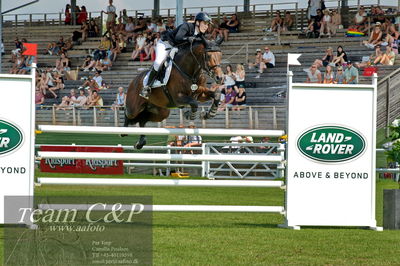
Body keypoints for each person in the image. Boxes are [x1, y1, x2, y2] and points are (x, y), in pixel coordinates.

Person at [140, 12, 212, 99]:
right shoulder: (187, 26)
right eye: (205, 23)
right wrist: (188, 38)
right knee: (159, 62)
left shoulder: (200, 33)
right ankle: (147, 87)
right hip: (166, 43)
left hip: (177, 48)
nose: (206, 26)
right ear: (197, 22)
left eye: (207, 24)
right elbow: (178, 38)